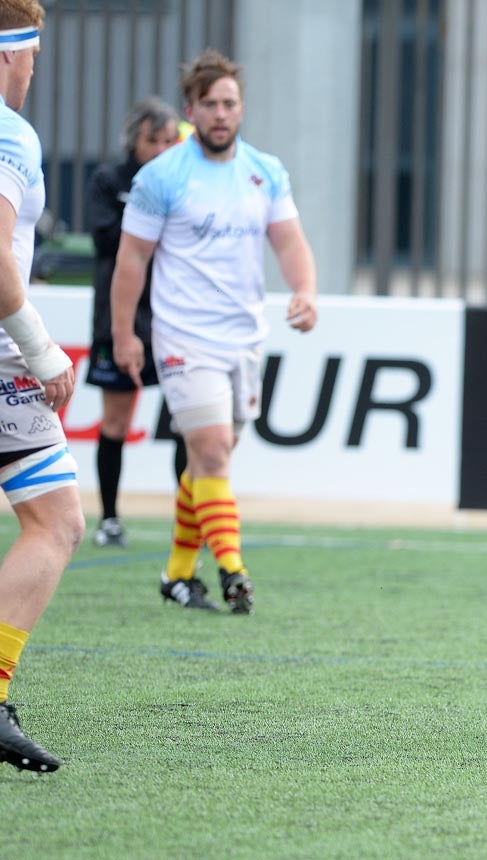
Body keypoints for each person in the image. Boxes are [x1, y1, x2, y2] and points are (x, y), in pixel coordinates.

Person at [110, 48, 317, 614]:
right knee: (212, 453)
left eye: (229, 104)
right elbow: (131, 261)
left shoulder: (264, 170)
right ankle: (233, 568)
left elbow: (290, 242)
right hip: (182, 337)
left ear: (241, 108)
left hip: (244, 336)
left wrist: (305, 290)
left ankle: (177, 574)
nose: (221, 114)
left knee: (209, 460)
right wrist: (124, 334)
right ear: (190, 110)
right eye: (210, 104)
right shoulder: (161, 176)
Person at [0, 0, 86, 772]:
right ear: (7, 54)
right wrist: (44, 351)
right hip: (2, 360)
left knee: (52, 516)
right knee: (55, 523)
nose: (32, 72)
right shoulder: (7, 132)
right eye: (32, 57)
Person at [85, 96, 187, 548]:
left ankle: (188, 521)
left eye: (170, 141)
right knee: (116, 421)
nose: (163, 149)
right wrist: (146, 216)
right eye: (153, 141)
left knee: (187, 419)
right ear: (135, 142)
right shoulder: (110, 180)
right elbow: (105, 239)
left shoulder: (186, 184)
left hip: (174, 316)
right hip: (120, 318)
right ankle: (109, 518)